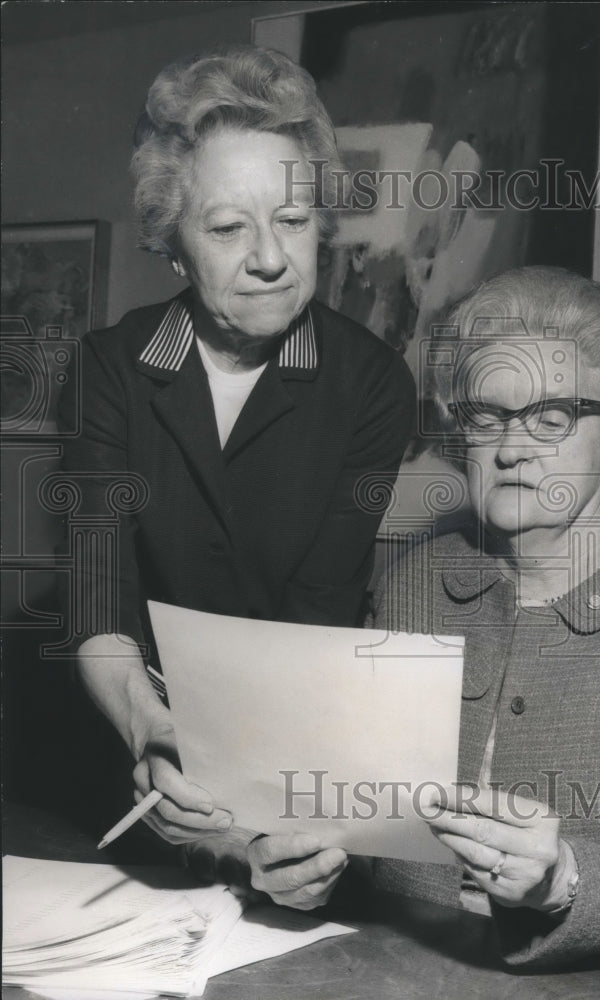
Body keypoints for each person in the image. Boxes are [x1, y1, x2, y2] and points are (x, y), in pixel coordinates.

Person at [247, 266, 600, 969]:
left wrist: (563, 879)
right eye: (486, 416)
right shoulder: (410, 587)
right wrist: (306, 869)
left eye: (551, 418)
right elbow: (363, 829)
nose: (511, 445)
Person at [57, 46, 415, 855]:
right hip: (118, 757)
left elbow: (315, 616)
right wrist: (146, 728)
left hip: (285, 755)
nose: (269, 258)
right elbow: (97, 596)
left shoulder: (371, 385)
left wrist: (254, 815)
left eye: (291, 221)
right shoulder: (105, 373)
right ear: (173, 247)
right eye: (226, 228)